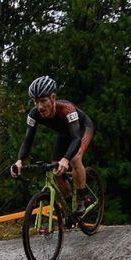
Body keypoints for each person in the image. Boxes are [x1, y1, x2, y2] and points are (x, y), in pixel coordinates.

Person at [11, 76, 94, 215]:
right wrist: (19, 160)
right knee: (56, 169)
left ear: (53, 97)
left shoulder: (67, 109)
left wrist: (66, 158)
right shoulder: (33, 115)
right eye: (36, 102)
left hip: (81, 130)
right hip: (63, 134)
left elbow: (76, 138)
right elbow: (27, 140)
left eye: (43, 101)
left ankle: (81, 200)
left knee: (74, 159)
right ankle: (68, 203)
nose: (40, 107)